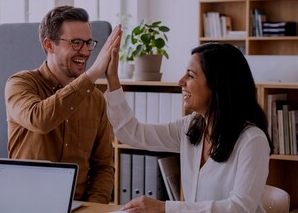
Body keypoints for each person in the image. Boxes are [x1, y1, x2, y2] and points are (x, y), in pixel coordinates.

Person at [104, 42, 273, 212]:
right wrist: (112, 79)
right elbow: (133, 134)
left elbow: (240, 208)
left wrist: (165, 208)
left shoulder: (252, 140)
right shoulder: (191, 126)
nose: (180, 82)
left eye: (190, 76)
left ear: (217, 83)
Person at [5, 5, 122, 204]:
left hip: (77, 207)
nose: (85, 51)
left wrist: (93, 207)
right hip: (25, 204)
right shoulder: (20, 84)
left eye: (88, 43)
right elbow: (40, 119)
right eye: (76, 43)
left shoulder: (95, 99)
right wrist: (93, 73)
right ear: (49, 45)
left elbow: (103, 166)